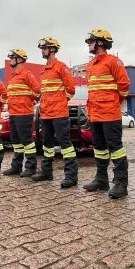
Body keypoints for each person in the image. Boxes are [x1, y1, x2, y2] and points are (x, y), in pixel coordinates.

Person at [81, 29, 131, 199]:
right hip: (95, 115)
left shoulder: (114, 62)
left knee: (116, 149)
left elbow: (124, 86)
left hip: (110, 114)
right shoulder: (90, 66)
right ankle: (101, 180)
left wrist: (112, 104)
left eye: (91, 41)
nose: (88, 44)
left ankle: (121, 183)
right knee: (99, 149)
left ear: (101, 42)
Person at [36, 36, 78, 187]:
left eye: (44, 48)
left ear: (52, 49)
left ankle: (71, 177)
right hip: (46, 113)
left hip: (59, 113)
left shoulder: (61, 67)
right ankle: (47, 172)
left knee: (65, 144)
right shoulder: (43, 70)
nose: (42, 50)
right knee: (46, 144)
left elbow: (71, 90)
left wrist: (60, 101)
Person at [2, 48, 41, 178]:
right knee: (16, 142)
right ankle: (16, 166)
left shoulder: (26, 74)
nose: (10, 60)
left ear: (19, 59)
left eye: (12, 57)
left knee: (26, 141)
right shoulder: (13, 76)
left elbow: (37, 91)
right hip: (13, 113)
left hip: (24, 113)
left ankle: (30, 167)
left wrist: (26, 100)